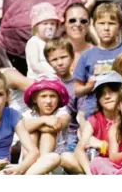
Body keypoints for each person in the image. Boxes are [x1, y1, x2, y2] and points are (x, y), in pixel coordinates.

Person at [73, 3, 122, 119]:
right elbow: (77, 90)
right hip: (92, 113)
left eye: (111, 23)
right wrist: (88, 87)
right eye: (101, 23)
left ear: (120, 27)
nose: (106, 28)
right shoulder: (87, 55)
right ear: (93, 26)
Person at [43, 38, 83, 173]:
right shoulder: (46, 83)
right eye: (54, 60)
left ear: (72, 57)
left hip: (70, 134)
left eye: (64, 57)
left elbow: (81, 115)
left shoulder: (78, 85)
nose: (60, 62)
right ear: (48, 62)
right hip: (47, 130)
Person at [74, 71, 122, 174]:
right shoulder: (95, 119)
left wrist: (102, 145)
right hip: (100, 163)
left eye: (112, 91)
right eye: (102, 93)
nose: (107, 96)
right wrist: (90, 173)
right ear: (98, 99)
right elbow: (79, 149)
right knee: (67, 158)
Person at [22, 76, 70, 173]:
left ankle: (42, 167)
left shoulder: (62, 113)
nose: (48, 101)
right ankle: (31, 168)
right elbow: (21, 128)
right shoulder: (28, 114)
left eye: (52, 96)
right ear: (35, 98)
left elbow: (57, 126)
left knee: (48, 133)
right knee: (31, 133)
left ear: (58, 98)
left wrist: (35, 125)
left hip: (54, 161)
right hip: (28, 162)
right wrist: (44, 119)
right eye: (43, 96)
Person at [25, 2, 61, 79]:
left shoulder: (53, 43)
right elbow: (35, 64)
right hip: (37, 79)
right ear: (36, 26)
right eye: (45, 24)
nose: (49, 27)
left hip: (54, 78)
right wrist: (50, 74)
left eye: (52, 24)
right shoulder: (34, 42)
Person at [62, 3, 94, 71]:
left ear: (89, 25)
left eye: (83, 21)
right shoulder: (54, 50)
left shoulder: (95, 52)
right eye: (72, 20)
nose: (78, 24)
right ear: (64, 24)